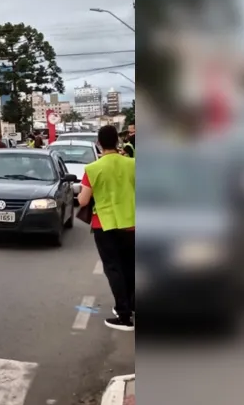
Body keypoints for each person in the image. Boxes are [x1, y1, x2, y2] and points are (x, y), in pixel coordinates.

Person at [77, 125, 136, 331]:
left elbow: (83, 201)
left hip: (105, 224)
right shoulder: (133, 164)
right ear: (118, 141)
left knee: (113, 268)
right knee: (130, 266)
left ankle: (124, 316)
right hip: (132, 223)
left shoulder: (93, 169)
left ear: (99, 143)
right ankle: (132, 305)